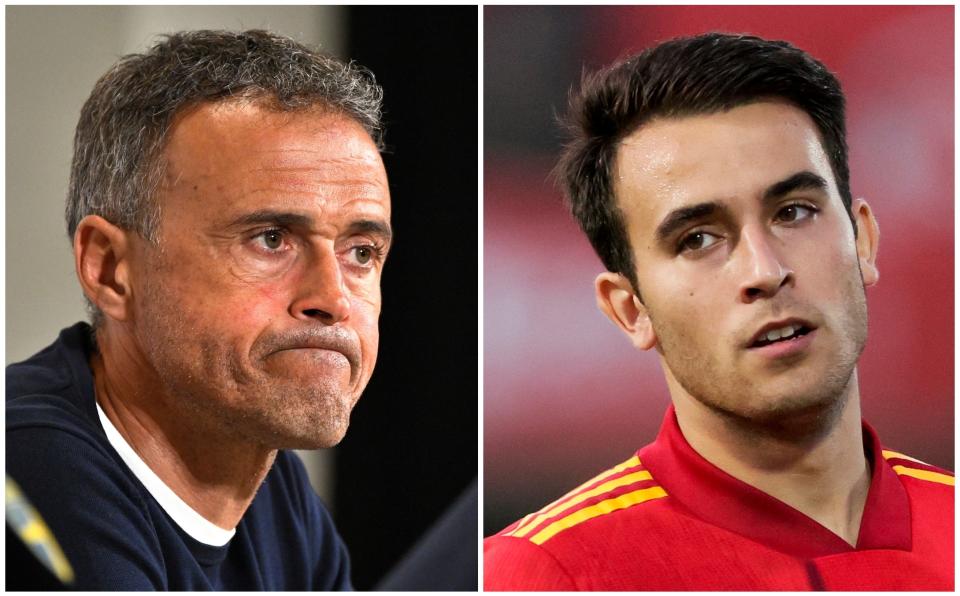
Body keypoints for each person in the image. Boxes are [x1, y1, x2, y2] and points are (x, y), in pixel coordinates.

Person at [484, 32, 953, 590]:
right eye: (699, 239)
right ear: (631, 309)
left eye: (795, 212)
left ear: (863, 241)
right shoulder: (547, 574)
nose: (764, 270)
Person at [6, 29, 392, 590]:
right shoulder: (28, 471)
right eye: (269, 239)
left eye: (361, 252)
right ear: (111, 268)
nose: (333, 299)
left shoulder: (273, 487)